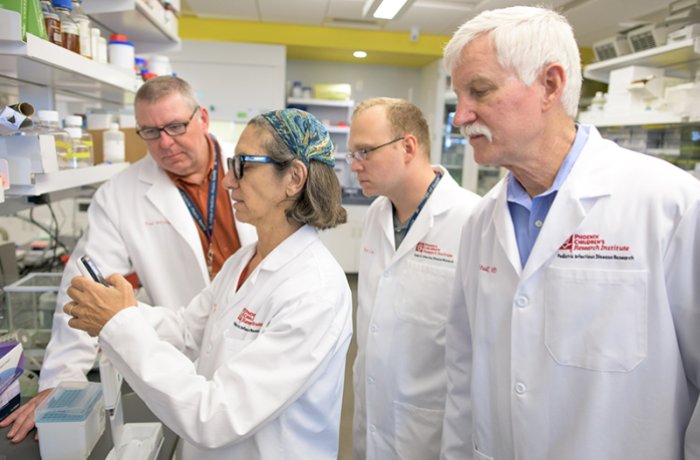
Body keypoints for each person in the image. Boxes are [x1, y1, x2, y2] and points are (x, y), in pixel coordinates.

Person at [441, 6, 700, 460]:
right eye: (459, 95)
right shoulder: (482, 222)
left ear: (549, 85)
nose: (461, 116)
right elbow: (465, 370)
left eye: (479, 90)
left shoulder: (671, 204)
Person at [63, 108, 353, 459]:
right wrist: (121, 308)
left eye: (243, 165)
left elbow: (215, 416)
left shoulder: (314, 289)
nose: (230, 181)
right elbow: (186, 329)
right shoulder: (244, 261)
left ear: (294, 178)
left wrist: (118, 324)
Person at [0, 76, 256, 442]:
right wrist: (64, 382)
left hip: (256, 341)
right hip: (182, 358)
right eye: (150, 132)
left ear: (202, 118)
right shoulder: (120, 194)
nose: (165, 143)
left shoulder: (251, 169)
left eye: (175, 126)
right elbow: (87, 290)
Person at [348, 97, 480, 459]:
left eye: (365, 152)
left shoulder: (472, 220)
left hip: (430, 430)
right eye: (352, 155)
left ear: (408, 146)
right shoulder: (378, 212)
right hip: (371, 416)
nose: (355, 166)